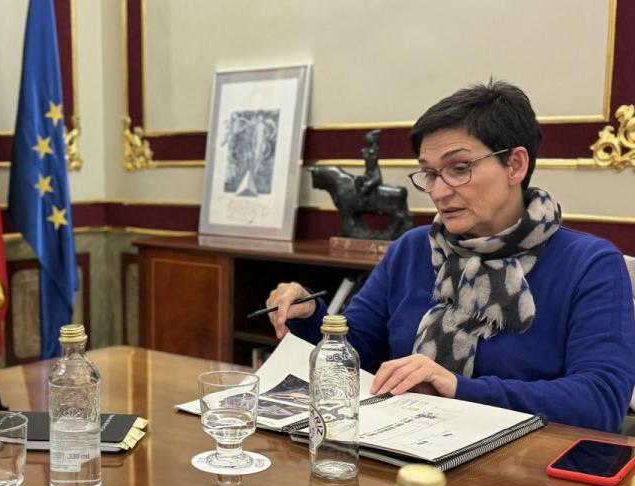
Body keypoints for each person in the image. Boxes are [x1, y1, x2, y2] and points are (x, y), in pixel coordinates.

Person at [267, 80, 635, 433]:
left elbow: (599, 403)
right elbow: (354, 353)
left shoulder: (590, 264)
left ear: (516, 165)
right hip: (407, 454)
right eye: (429, 173)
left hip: (532, 479)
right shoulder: (412, 249)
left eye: (459, 168)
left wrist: (457, 388)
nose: (439, 192)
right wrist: (309, 314)